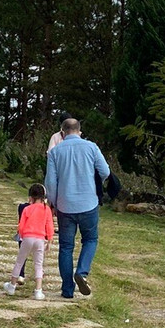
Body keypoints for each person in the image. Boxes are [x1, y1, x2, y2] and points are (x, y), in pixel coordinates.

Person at [45, 117, 110, 298]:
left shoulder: (55, 152)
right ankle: (81, 272)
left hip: (65, 206)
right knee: (90, 240)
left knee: (66, 247)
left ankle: (67, 290)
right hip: (89, 203)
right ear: (79, 131)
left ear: (62, 132)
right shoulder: (91, 147)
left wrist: (54, 202)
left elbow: (50, 182)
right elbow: (105, 171)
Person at [3, 183, 53, 301]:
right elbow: (49, 226)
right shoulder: (47, 210)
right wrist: (49, 241)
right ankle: (38, 291)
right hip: (40, 239)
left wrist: (22, 235)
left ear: (30, 197)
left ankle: (12, 286)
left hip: (28, 238)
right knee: (38, 264)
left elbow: (21, 226)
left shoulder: (27, 209)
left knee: (19, 262)